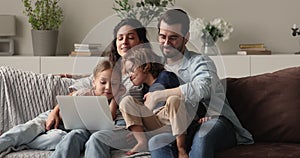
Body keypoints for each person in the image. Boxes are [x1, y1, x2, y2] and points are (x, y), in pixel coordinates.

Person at [0, 18, 151, 157]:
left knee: (63, 138)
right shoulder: (105, 69)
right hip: (73, 116)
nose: (124, 42)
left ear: (141, 41)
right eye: (120, 38)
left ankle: (21, 143)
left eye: (130, 37)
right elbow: (84, 85)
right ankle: (11, 142)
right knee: (27, 130)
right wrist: (55, 110)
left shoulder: (143, 75)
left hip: (98, 125)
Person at [145, 9, 254, 158]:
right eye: (162, 36)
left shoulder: (200, 61)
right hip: (178, 128)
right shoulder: (155, 68)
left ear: (186, 37)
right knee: (156, 141)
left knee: (203, 135)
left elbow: (203, 87)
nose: (166, 43)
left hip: (214, 120)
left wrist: (159, 95)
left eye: (173, 38)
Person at [120, 48, 189, 157]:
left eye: (132, 70)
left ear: (146, 66)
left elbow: (185, 98)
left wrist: (201, 116)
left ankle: (181, 148)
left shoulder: (166, 77)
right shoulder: (144, 89)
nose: (130, 75)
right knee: (126, 101)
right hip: (155, 124)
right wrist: (136, 129)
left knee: (174, 99)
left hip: (172, 121)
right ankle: (141, 141)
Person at [49, 60, 124, 158]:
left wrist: (115, 98)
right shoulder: (86, 94)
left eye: (114, 84)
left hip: (105, 133)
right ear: (94, 82)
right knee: (73, 135)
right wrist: (55, 111)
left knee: (96, 138)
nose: (108, 87)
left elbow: (109, 117)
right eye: (103, 82)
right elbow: (69, 100)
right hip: (84, 129)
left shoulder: (121, 99)